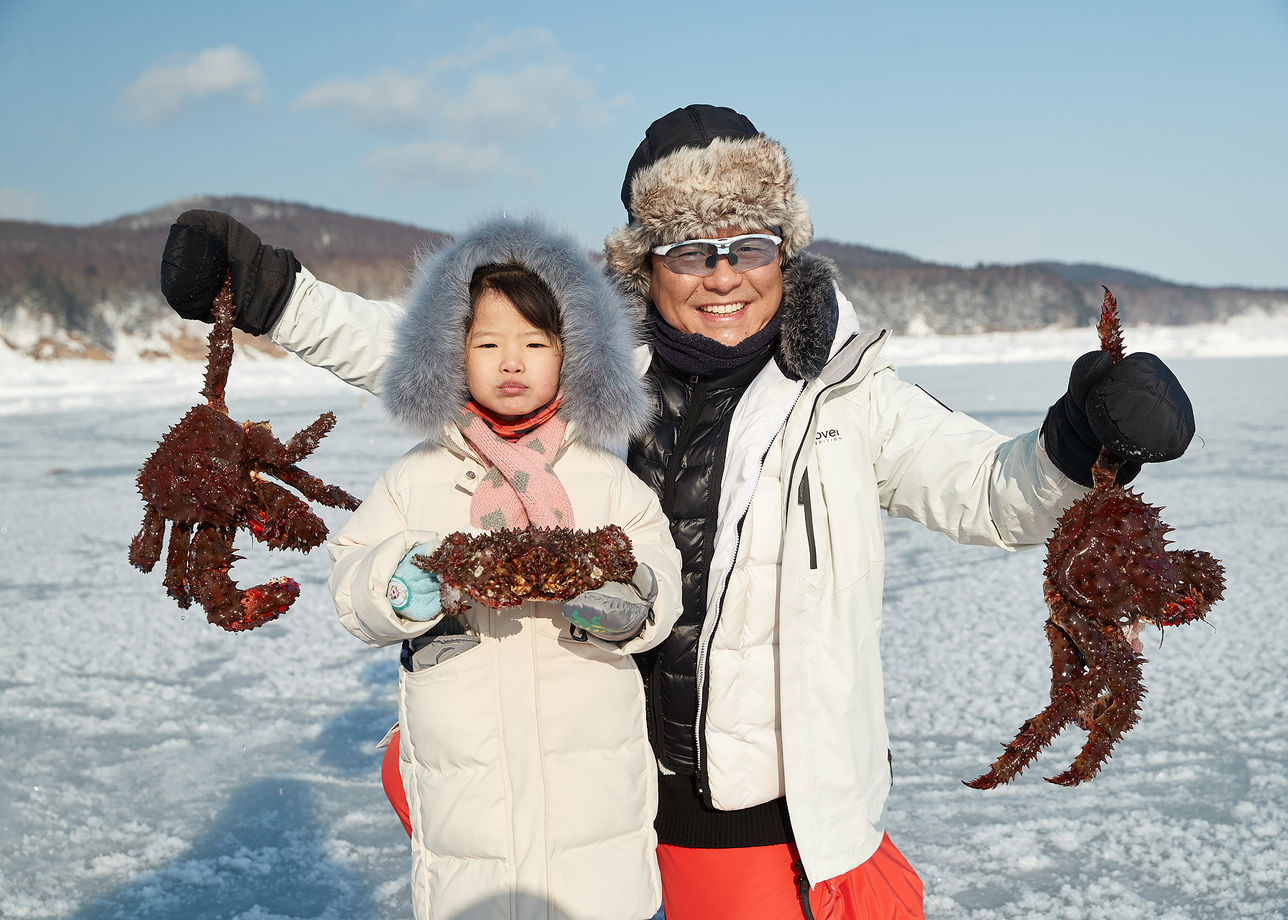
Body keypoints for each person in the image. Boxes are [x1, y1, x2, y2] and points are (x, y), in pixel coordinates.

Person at [160, 104, 1197, 920]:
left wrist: (1080, 437)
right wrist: (274, 293)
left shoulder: (848, 391)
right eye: (687, 249)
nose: (720, 277)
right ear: (644, 261)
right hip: (583, 778)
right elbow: (435, 346)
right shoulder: (590, 367)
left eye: (746, 245)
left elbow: (985, 487)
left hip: (748, 810)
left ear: (783, 250)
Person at [324, 216, 683, 920]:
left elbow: (658, 569)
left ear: (572, 355)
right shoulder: (416, 476)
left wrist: (634, 601)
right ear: (450, 352)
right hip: (468, 785)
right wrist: (394, 584)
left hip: (591, 787)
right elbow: (349, 573)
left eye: (534, 343)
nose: (510, 362)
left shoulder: (606, 479)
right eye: (488, 343)